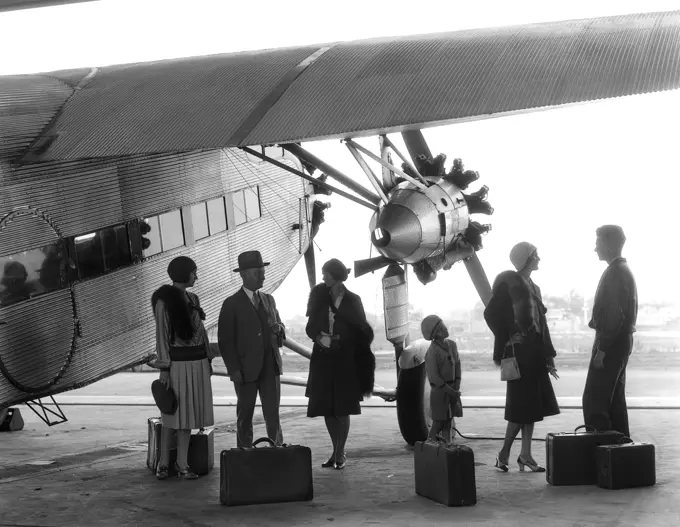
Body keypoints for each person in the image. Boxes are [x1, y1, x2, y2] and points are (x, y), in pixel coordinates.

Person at [484, 242, 560, 473]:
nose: (539, 258)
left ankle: (525, 454)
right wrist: (508, 337)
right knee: (520, 409)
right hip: (518, 354)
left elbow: (542, 325)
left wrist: (549, 356)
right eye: (535, 255)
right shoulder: (510, 285)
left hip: (535, 352)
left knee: (531, 408)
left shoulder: (534, 287)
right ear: (525, 259)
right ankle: (504, 453)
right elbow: (490, 313)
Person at [305, 258, 375, 470]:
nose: (323, 276)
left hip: (345, 360)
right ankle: (335, 451)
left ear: (335, 275)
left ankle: (339, 452)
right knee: (327, 407)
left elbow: (362, 331)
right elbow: (310, 328)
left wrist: (338, 340)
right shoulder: (318, 297)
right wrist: (319, 338)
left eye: (326, 273)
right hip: (323, 360)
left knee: (342, 408)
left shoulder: (353, 300)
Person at [150, 256, 215, 480]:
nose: (196, 276)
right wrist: (165, 368)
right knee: (171, 416)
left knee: (187, 417)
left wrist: (207, 359)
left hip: (197, 363)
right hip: (177, 365)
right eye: (194, 272)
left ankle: (181, 464)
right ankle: (164, 463)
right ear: (185, 273)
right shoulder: (164, 302)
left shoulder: (192, 297)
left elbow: (202, 333)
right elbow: (162, 337)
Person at [218, 250, 285, 448]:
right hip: (245, 370)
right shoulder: (231, 304)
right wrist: (234, 370)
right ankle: (244, 454)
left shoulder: (269, 300)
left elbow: (281, 327)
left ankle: (277, 451)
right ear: (244, 274)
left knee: (273, 414)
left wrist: (278, 329)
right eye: (258, 272)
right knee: (245, 414)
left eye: (263, 271)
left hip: (270, 367)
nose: (263, 275)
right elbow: (225, 341)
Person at [582, 225, 637, 437]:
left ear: (608, 244)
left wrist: (602, 349)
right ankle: (619, 455)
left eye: (597, 244)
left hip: (611, 343)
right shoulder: (623, 271)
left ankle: (600, 456)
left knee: (595, 401)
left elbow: (614, 316)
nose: (595, 249)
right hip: (622, 341)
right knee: (614, 401)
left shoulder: (615, 273)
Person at [421, 314, 463, 443]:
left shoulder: (452, 345)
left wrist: (457, 384)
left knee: (448, 422)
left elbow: (457, 364)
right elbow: (434, 377)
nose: (446, 328)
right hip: (440, 392)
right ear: (437, 333)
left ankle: (447, 447)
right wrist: (451, 391)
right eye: (442, 327)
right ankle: (429, 445)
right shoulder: (432, 352)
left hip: (452, 389)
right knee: (439, 422)